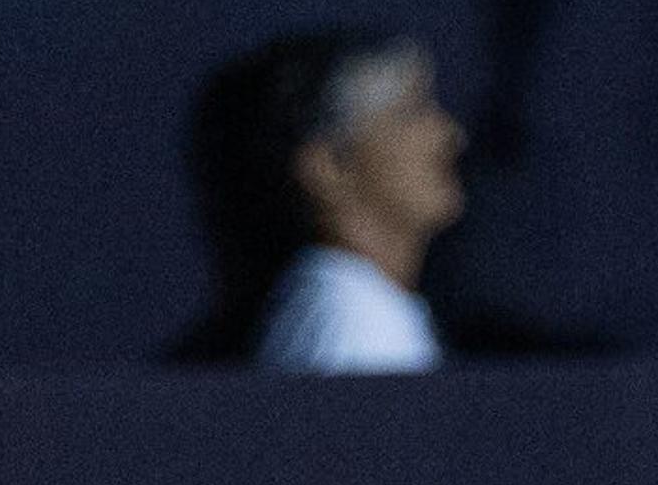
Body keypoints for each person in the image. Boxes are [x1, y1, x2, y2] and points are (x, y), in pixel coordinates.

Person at [176, 32, 465, 373]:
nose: (450, 135)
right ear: (327, 166)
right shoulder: (355, 324)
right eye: (410, 112)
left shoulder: (356, 311)